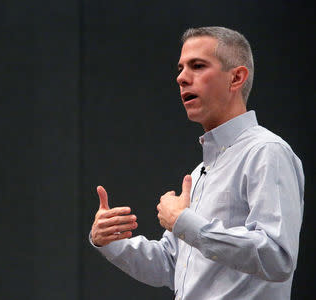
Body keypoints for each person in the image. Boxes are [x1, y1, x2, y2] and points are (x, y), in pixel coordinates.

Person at [90, 26, 304, 300]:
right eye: (180, 68)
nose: (181, 78)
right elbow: (171, 265)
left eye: (198, 66)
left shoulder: (266, 152)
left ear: (236, 77)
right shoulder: (202, 171)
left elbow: (277, 256)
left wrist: (185, 222)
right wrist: (110, 243)